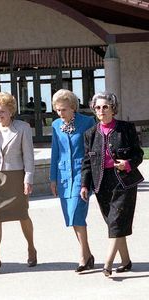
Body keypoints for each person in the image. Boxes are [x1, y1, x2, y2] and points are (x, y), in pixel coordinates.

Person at [80, 92, 144, 277]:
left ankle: (107, 263)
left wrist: (128, 163)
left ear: (113, 108)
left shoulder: (126, 128)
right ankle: (125, 261)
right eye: (98, 107)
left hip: (124, 181)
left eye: (105, 107)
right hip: (101, 182)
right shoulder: (90, 134)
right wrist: (85, 185)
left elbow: (138, 154)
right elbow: (87, 162)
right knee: (114, 223)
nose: (101, 110)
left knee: (116, 221)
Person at [0, 91, 37, 276]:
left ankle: (31, 247)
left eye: (3, 111)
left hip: (16, 176)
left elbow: (28, 155)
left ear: (11, 111)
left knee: (22, 215)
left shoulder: (23, 128)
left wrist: (28, 179)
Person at [50, 89, 96, 272]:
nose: (60, 113)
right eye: (57, 110)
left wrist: (90, 178)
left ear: (73, 108)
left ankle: (83, 256)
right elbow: (55, 153)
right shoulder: (55, 125)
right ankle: (88, 253)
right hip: (63, 176)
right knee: (71, 216)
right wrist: (53, 178)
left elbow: (93, 151)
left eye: (63, 110)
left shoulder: (87, 122)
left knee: (77, 211)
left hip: (81, 173)